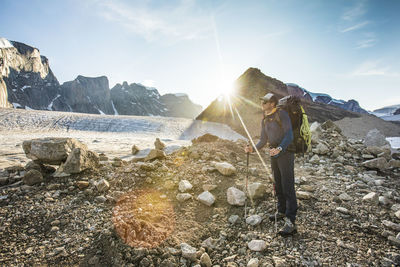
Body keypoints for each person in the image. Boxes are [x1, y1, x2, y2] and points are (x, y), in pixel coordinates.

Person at [245, 93, 298, 236]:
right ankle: (281, 211)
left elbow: (289, 135)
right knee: (277, 183)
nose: (262, 104)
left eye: (265, 101)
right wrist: (252, 149)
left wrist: (280, 148)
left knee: (287, 185)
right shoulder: (265, 120)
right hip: (274, 154)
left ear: (273, 103)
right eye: (262, 101)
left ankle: (291, 221)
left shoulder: (282, 114)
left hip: (285, 153)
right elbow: (263, 140)